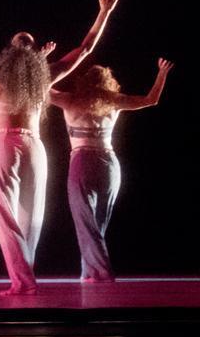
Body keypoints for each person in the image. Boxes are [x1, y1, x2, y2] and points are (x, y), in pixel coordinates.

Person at [0, 0, 118, 294]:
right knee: (30, 213)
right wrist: (104, 12)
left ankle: (22, 280)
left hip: (6, 141)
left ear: (10, 53)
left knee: (5, 210)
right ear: (36, 57)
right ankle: (26, 276)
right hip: (33, 145)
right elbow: (84, 48)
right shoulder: (44, 77)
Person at [48, 58, 171, 282]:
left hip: (83, 160)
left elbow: (43, 90)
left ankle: (102, 273)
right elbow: (151, 100)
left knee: (86, 223)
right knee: (97, 224)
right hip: (109, 164)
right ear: (108, 82)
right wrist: (162, 73)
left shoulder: (70, 100)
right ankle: (90, 273)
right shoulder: (114, 101)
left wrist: (50, 64)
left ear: (84, 82)